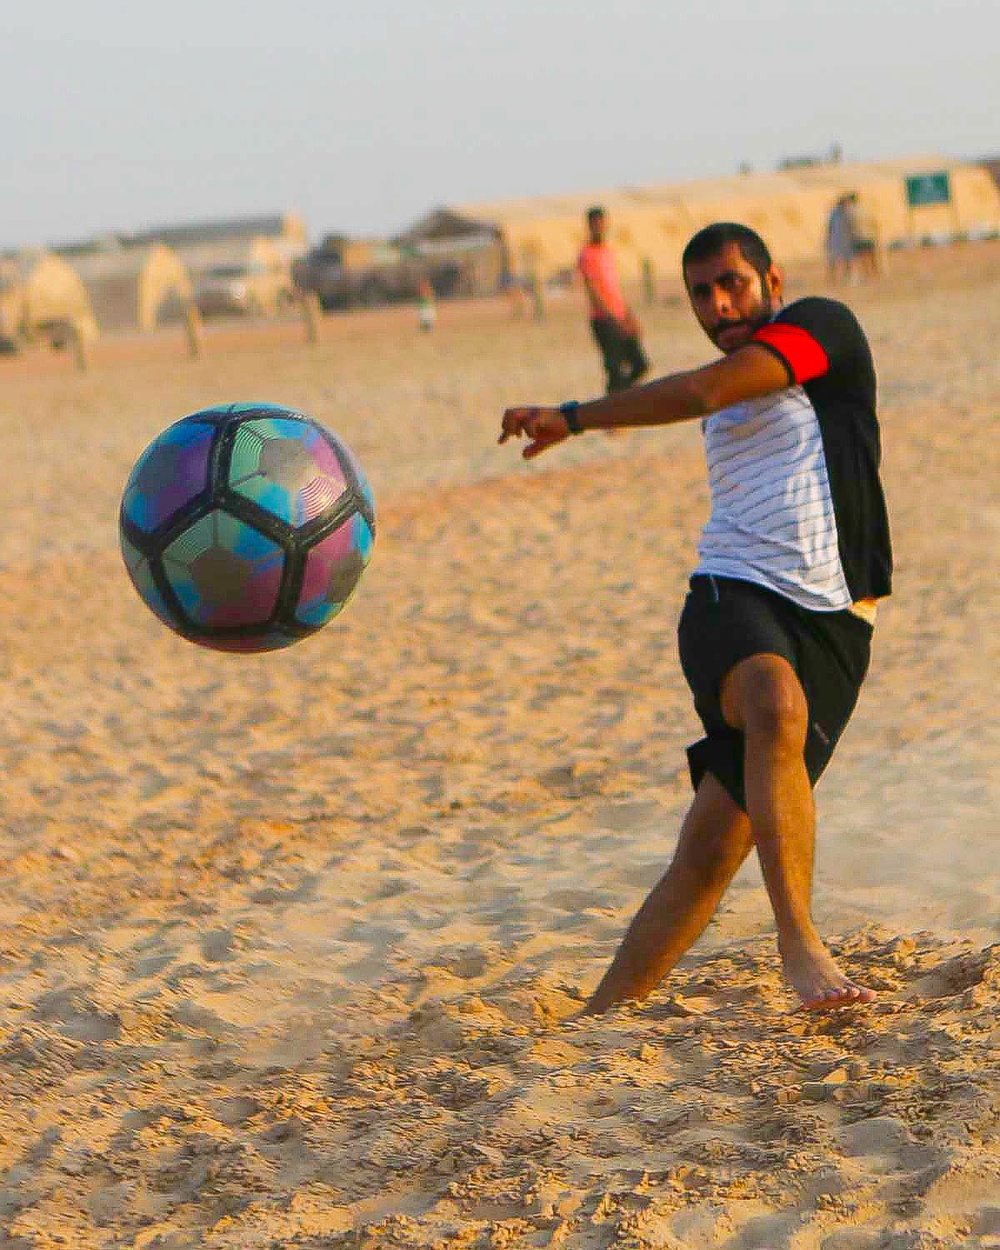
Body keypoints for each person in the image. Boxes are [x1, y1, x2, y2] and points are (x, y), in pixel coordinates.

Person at [499, 222, 892, 1013]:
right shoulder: (724, 384)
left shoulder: (821, 330)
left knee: (713, 849)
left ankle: (597, 1018)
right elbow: (707, 389)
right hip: (731, 593)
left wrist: (576, 414)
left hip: (839, 623)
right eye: (701, 296)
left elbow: (709, 388)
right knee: (774, 704)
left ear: (773, 279)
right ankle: (799, 941)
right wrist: (575, 420)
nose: (718, 305)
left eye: (732, 284)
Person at [578, 206, 649, 393]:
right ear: (589, 225)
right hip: (604, 319)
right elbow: (593, 292)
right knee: (615, 369)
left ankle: (619, 402)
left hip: (620, 315)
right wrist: (613, 319)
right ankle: (613, 410)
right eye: (595, 224)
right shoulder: (586, 255)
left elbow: (614, 289)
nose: (599, 227)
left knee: (640, 364)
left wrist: (629, 316)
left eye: (602, 223)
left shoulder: (608, 251)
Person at [825, 195, 855, 285]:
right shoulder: (837, 213)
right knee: (835, 259)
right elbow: (830, 227)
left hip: (843, 239)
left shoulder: (844, 213)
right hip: (838, 239)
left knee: (845, 259)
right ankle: (833, 278)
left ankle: (845, 276)